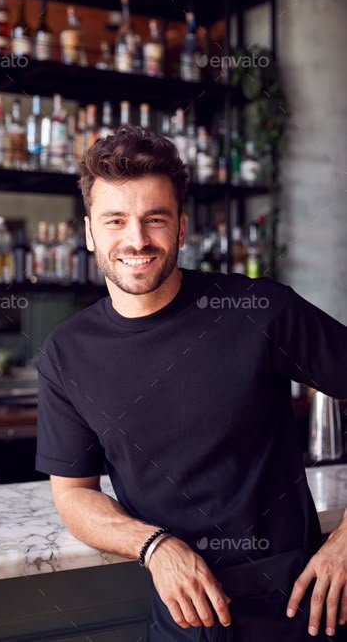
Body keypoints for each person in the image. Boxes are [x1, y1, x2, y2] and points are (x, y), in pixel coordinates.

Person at [35, 126, 347, 641]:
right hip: (180, 620)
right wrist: (154, 546)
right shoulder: (66, 352)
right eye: (115, 221)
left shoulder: (260, 310)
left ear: (181, 228)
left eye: (154, 220)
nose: (136, 240)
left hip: (300, 609)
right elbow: (73, 493)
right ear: (89, 231)